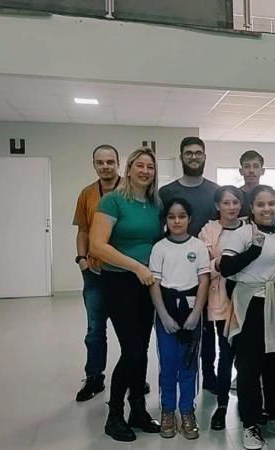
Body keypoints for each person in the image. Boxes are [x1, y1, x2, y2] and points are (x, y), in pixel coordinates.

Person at [90, 147, 164, 442]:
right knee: (131, 350)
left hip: (148, 284)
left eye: (151, 167)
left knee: (141, 349)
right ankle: (114, 415)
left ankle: (138, 410)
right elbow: (97, 245)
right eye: (140, 165)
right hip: (120, 282)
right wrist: (136, 266)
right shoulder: (113, 201)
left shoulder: (155, 203)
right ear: (129, 168)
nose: (145, 171)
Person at [218, 185, 275, 450]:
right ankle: (250, 423)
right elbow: (226, 269)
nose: (267, 209)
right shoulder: (241, 233)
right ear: (251, 207)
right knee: (250, 366)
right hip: (250, 305)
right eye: (260, 204)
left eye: (271, 203)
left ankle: (273, 413)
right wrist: (253, 249)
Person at [158, 136, 220, 393]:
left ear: (204, 156)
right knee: (172, 327)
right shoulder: (166, 192)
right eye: (188, 153)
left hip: (206, 271)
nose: (194, 157)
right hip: (174, 273)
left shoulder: (215, 191)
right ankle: (175, 374)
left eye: (198, 153)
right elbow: (159, 230)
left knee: (207, 326)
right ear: (181, 156)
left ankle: (208, 374)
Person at [148, 198, 211, 440]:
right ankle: (167, 410)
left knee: (188, 363)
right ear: (165, 220)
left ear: (189, 219)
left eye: (182, 216)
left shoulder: (198, 246)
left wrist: (196, 314)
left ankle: (186, 410)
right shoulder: (160, 248)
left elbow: (204, 280)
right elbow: (154, 283)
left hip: (191, 309)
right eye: (172, 217)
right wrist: (163, 316)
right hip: (166, 308)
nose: (177, 221)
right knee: (168, 363)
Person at [72, 144, 120, 402]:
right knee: (95, 329)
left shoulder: (130, 190)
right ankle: (94, 377)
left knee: (130, 329)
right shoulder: (87, 193)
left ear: (118, 163)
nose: (105, 167)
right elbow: (83, 230)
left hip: (125, 273)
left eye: (110, 162)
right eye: (100, 162)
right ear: (94, 165)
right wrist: (81, 260)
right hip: (96, 273)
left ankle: (133, 374)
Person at [198, 185, 246, 431]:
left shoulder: (250, 227)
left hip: (248, 298)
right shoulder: (209, 229)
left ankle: (250, 403)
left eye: (235, 202)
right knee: (225, 351)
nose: (231, 207)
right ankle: (223, 405)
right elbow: (203, 264)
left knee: (247, 353)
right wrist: (226, 264)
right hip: (220, 299)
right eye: (226, 203)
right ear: (218, 206)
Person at [237, 150, 265, 218]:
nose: (251, 171)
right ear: (241, 171)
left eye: (256, 166)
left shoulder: (273, 196)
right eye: (247, 166)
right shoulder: (235, 196)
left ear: (262, 171)